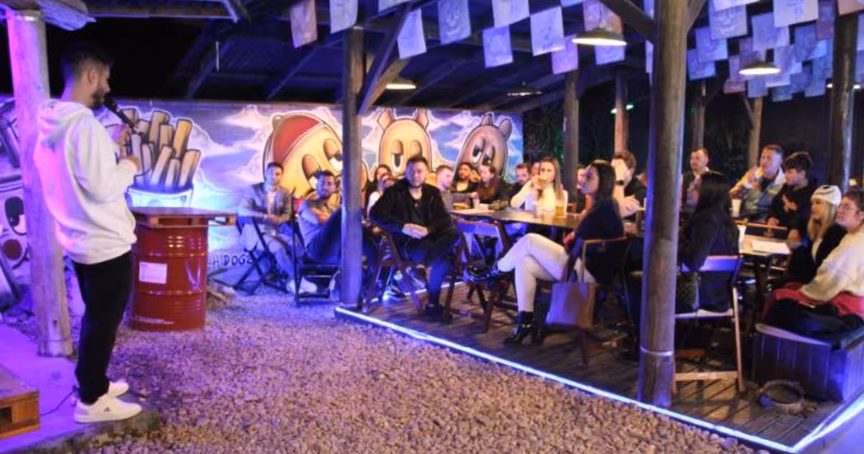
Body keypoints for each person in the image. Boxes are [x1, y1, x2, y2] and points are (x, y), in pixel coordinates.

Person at [34, 44, 142, 422]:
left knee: (96, 318)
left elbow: (76, 173)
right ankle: (92, 401)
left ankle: (92, 380)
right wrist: (128, 165)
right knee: (102, 324)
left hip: (81, 244)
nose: (107, 87)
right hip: (105, 245)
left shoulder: (52, 125)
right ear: (91, 75)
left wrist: (109, 147)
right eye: (105, 79)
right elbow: (102, 187)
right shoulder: (85, 127)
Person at [467, 160, 624, 344]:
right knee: (524, 262)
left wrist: (576, 231)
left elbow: (580, 241)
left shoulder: (604, 208)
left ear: (604, 181)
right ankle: (525, 322)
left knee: (529, 240)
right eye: (584, 175)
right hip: (580, 266)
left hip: (585, 275)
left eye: (589, 176)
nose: (582, 179)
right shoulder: (602, 206)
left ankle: (493, 272)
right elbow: (579, 238)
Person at [627, 172, 740, 333]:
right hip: (719, 295)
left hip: (696, 295)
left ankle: (646, 335)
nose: (688, 189)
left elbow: (694, 260)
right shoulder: (728, 222)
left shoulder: (706, 220)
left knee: (636, 278)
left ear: (707, 192)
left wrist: (674, 243)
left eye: (695, 187)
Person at [763, 188, 864, 334]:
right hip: (845, 303)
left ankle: (763, 341)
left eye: (847, 207)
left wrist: (804, 290)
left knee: (778, 296)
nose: (840, 210)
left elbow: (829, 282)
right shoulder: (852, 236)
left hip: (842, 309)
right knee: (786, 287)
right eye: (840, 205)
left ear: (861, 214)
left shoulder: (851, 243)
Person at [370, 156, 460, 318]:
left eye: (419, 171)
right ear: (406, 172)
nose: (415, 175)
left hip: (429, 239)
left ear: (427, 173)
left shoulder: (432, 193)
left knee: (455, 234)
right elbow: (374, 214)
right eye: (411, 171)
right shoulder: (395, 191)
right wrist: (403, 227)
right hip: (407, 242)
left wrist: (429, 229)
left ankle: (424, 267)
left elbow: (444, 219)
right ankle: (432, 304)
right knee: (443, 262)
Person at [297, 170, 378, 306]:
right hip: (316, 250)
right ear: (316, 185)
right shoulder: (307, 204)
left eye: (329, 184)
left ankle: (375, 275)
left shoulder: (335, 207)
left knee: (364, 229)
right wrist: (345, 218)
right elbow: (319, 220)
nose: (325, 186)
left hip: (339, 250)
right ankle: (375, 269)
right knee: (345, 212)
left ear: (335, 188)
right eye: (322, 183)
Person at [237, 162, 294, 280]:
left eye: (277, 174)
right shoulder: (253, 189)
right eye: (271, 173)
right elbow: (242, 209)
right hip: (256, 233)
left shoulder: (285, 192)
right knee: (279, 248)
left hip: (276, 230)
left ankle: (292, 273)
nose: (274, 176)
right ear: (265, 174)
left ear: (281, 176)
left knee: (296, 244)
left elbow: (287, 214)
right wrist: (264, 216)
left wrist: (279, 219)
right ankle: (296, 279)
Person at [784, 186, 845, 284]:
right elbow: (809, 263)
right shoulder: (816, 229)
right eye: (812, 203)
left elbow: (823, 267)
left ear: (831, 206)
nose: (813, 207)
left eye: (818, 203)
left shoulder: (836, 233)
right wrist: (797, 247)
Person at [730, 144, 785, 222]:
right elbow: (731, 197)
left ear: (779, 162)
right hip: (744, 220)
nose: (764, 161)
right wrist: (747, 184)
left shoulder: (784, 183)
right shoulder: (753, 175)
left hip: (765, 223)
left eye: (769, 158)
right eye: (762, 157)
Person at [767, 151, 818, 230]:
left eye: (790, 172)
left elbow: (805, 219)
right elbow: (774, 205)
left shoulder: (813, 195)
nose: (785, 175)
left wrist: (796, 229)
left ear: (802, 174)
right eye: (785, 171)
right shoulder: (786, 188)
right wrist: (772, 217)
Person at [611, 150, 646, 219]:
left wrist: (619, 178)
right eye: (612, 168)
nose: (614, 172)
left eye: (619, 168)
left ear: (631, 171)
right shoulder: (607, 187)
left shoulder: (640, 191)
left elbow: (617, 212)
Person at [682, 148, 710, 212]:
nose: (693, 161)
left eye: (697, 158)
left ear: (706, 160)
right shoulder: (685, 177)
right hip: (687, 214)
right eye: (692, 158)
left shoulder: (713, 178)